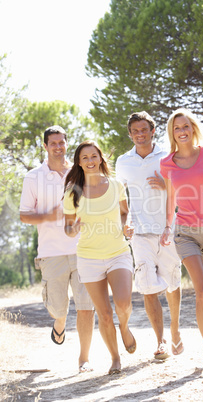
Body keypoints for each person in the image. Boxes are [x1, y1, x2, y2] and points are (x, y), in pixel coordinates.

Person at [20, 125, 95, 373]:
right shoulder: (33, 177)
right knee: (57, 308)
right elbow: (24, 215)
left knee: (86, 306)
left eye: (62, 142)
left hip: (83, 248)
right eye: (53, 143)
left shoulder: (79, 173)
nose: (58, 147)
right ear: (45, 146)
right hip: (51, 253)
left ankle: (83, 360)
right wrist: (48, 215)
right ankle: (59, 323)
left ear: (66, 144)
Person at [160, 108, 203, 367]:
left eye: (186, 126)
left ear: (193, 129)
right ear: (172, 133)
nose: (182, 131)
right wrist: (168, 226)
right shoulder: (167, 163)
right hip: (185, 231)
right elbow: (170, 199)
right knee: (201, 292)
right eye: (177, 128)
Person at [63, 140, 136, 375]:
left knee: (123, 305)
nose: (90, 161)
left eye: (94, 156)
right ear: (79, 162)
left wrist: (127, 227)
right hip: (89, 257)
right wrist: (73, 229)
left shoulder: (116, 185)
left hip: (118, 252)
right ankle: (115, 359)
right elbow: (68, 227)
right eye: (85, 158)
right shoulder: (72, 192)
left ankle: (124, 327)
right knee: (104, 314)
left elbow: (125, 213)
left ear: (101, 158)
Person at [116, 111, 183, 360]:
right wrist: (125, 223)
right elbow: (121, 199)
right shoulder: (123, 162)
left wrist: (167, 184)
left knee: (173, 284)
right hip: (140, 233)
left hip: (168, 229)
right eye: (135, 131)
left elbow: (184, 185)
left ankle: (175, 331)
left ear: (152, 131)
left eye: (144, 130)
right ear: (130, 134)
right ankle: (161, 341)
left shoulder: (167, 155)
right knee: (147, 287)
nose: (140, 134)